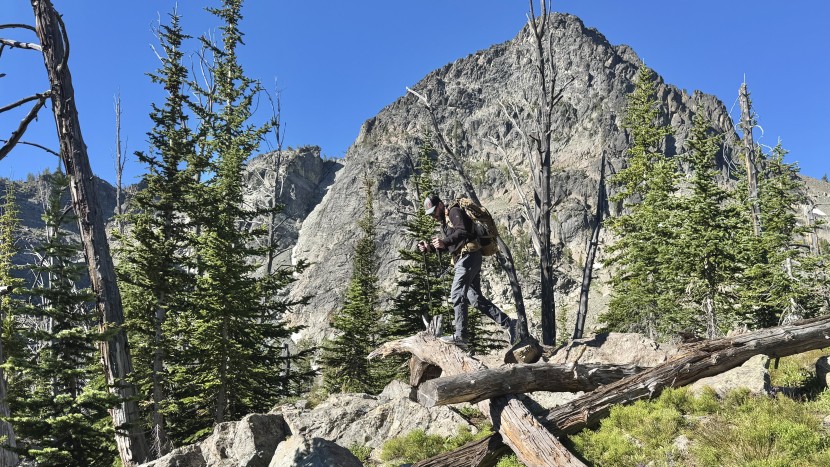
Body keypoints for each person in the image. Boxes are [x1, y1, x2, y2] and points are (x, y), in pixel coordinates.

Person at [418, 194, 517, 350]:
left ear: (440, 205)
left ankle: (460, 336)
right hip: (467, 258)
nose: (432, 216)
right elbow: (452, 245)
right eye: (430, 214)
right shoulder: (445, 222)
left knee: (457, 293)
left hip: (468, 257)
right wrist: (431, 248)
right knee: (474, 299)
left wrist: (445, 241)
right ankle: (509, 323)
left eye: (433, 212)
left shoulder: (453, 211)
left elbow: (464, 231)